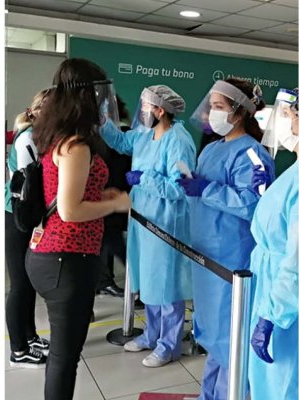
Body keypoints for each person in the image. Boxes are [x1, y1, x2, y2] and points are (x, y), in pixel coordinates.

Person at [26, 58, 130, 400]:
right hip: (66, 258)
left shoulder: (58, 139)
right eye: (99, 94)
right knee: (64, 356)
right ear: (86, 97)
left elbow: (67, 195)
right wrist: (115, 205)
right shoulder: (76, 145)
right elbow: (70, 210)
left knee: (64, 353)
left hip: (53, 254)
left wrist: (100, 194)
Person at [178, 78, 275, 400]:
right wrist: (192, 184)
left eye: (218, 107)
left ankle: (233, 394)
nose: (211, 113)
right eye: (211, 106)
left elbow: (255, 205)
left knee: (230, 333)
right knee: (213, 331)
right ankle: (212, 394)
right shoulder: (213, 150)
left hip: (232, 254)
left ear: (239, 111)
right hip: (207, 252)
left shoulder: (252, 153)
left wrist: (207, 190)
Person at [100, 85, 196, 367]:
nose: (141, 111)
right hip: (142, 219)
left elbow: (181, 187)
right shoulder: (144, 135)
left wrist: (144, 179)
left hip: (166, 223)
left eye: (145, 107)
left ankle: (169, 344)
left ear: (159, 110)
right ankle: (152, 335)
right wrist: (102, 120)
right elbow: (121, 142)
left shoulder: (179, 140)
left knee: (168, 285)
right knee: (149, 281)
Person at [247, 90, 298, 400]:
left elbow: (296, 261)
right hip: (273, 285)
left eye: (289, 115)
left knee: (283, 384)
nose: (284, 122)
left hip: (286, 301)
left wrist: (273, 315)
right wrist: (267, 193)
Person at [5, 89, 51, 367]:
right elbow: (29, 189)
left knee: (28, 283)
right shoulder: (27, 140)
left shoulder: (37, 137)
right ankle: (18, 349)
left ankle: (30, 336)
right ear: (35, 112)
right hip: (16, 217)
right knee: (20, 285)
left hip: (24, 217)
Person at [96, 95, 132, 297]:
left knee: (112, 240)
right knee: (112, 241)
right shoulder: (105, 136)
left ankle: (104, 281)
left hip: (117, 195)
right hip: (112, 197)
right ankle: (104, 281)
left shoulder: (125, 135)